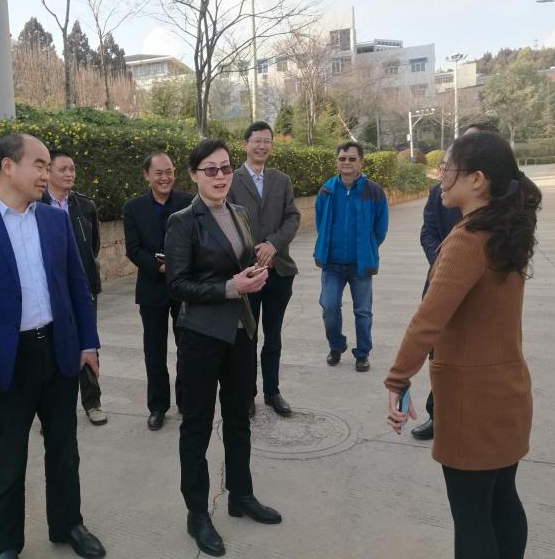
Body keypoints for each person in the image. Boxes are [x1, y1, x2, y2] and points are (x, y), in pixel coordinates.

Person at [0, 134, 106, 559]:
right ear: (8, 167)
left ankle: (68, 524)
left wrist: (88, 343)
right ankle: (3, 545)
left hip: (58, 351)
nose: (46, 174)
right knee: (7, 460)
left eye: (49, 166)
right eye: (40, 165)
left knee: (64, 450)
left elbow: (77, 285)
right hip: (5, 361)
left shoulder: (53, 220)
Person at [385, 130, 540, 559]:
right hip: (508, 394)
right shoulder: (505, 231)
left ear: (477, 180)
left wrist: (397, 379)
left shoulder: (468, 239)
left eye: (447, 168)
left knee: (472, 517)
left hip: (473, 403)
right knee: (502, 500)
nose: (440, 177)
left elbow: (427, 321)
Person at [166, 139, 282, 557]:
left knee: (238, 418)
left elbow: (240, 264)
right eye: (210, 169)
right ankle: (197, 513)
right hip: (200, 336)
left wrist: (253, 274)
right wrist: (231, 287)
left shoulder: (240, 213)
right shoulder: (183, 221)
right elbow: (177, 284)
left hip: (240, 333)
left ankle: (240, 494)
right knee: (196, 426)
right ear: (194, 175)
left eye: (225, 168)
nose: (220, 176)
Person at [412, 122, 499, 442]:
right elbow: (428, 232)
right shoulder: (440, 191)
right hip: (441, 281)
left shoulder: (504, 200)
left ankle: (473, 416)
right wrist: (445, 265)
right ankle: (438, 415)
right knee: (439, 353)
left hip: (484, 292)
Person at [227, 121, 300, 417]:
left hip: (278, 271)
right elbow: (226, 221)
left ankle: (273, 391)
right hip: (246, 273)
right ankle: (247, 394)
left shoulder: (281, 180)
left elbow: (292, 217)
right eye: (256, 140)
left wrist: (272, 244)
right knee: (247, 337)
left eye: (267, 141)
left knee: (273, 336)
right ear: (245, 144)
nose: (262, 146)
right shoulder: (231, 180)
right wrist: (253, 252)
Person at [123, 152, 193, 430]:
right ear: (147, 175)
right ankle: (157, 406)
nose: (165, 178)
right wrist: (159, 267)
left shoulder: (189, 202)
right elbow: (133, 248)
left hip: (184, 287)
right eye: (159, 173)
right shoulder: (133, 208)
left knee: (186, 347)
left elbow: (196, 240)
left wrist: (178, 266)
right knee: (154, 351)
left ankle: (186, 402)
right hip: (152, 287)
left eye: (169, 172)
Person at [42, 150, 107, 426]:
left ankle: (93, 402)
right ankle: (53, 411)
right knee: (52, 346)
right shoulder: (36, 206)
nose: (70, 174)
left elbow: (93, 246)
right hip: (49, 289)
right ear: (48, 172)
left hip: (82, 287)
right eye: (63, 169)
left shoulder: (84, 205)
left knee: (87, 341)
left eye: (72, 169)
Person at [313, 141, 389, 372]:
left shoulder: (373, 191)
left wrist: (368, 247)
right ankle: (336, 346)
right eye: (342, 158)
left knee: (363, 312)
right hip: (332, 264)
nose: (346, 162)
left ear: (361, 162)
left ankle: (362, 354)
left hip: (360, 264)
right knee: (329, 307)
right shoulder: (326, 190)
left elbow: (380, 228)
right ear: (337, 162)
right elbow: (320, 222)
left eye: (352, 159)